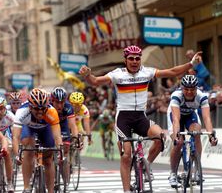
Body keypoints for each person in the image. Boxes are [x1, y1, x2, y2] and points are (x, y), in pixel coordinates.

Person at [79, 45, 203, 193]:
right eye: (131, 58)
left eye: (137, 58)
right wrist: (87, 75)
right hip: (124, 118)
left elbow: (172, 71)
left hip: (140, 117)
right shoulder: (118, 74)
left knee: (159, 136)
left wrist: (191, 64)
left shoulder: (147, 72)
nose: (134, 61)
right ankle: (126, 190)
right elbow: (96, 81)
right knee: (126, 155)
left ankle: (147, 165)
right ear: (125, 60)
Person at [167, 75, 218, 188]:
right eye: (186, 89)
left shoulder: (201, 96)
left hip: (190, 115)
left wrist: (211, 136)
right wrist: (176, 135)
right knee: (179, 142)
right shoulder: (176, 96)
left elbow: (206, 118)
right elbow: (176, 119)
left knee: (197, 133)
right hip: (175, 116)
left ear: (197, 88)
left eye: (192, 89)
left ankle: (197, 169)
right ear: (182, 87)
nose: (189, 92)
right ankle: (173, 173)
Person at [12, 88, 63, 193]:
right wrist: (17, 154)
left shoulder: (52, 112)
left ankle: (50, 190)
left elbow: (57, 136)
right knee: (28, 150)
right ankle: (26, 187)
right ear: (30, 107)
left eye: (42, 109)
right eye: (36, 109)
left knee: (48, 159)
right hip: (29, 128)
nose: (40, 112)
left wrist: (60, 151)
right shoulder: (22, 112)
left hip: (45, 129)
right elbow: (16, 137)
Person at [50, 87, 79, 182]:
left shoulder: (68, 107)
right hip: (49, 126)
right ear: (52, 100)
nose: (60, 105)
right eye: (57, 102)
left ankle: (65, 175)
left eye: (62, 102)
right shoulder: (48, 107)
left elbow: (73, 125)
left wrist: (75, 137)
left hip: (63, 126)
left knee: (65, 148)